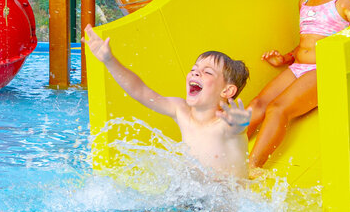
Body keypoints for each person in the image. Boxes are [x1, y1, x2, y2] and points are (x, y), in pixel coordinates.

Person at [248, 0, 350, 168]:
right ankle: (222, 157)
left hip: (323, 69)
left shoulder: (345, 1)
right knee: (258, 104)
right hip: (298, 67)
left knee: (277, 109)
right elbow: (306, 42)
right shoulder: (304, 2)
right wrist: (285, 58)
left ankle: (252, 168)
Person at [83, 27, 252, 180]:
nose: (196, 73)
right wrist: (109, 61)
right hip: (193, 194)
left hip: (226, 200)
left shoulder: (226, 124)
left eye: (207, 72)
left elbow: (238, 129)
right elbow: (140, 91)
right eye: (193, 69)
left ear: (227, 91)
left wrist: (241, 123)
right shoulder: (181, 110)